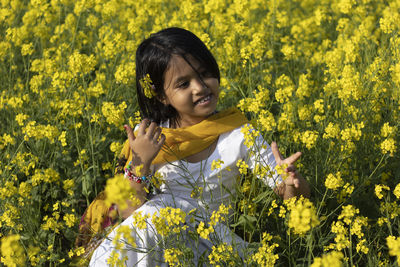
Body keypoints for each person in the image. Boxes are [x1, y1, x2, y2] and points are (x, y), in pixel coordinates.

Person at [87, 27, 310, 266]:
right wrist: (140, 161)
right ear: (162, 95)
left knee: (154, 216)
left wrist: (291, 184)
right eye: (183, 84)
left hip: (214, 247)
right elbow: (132, 213)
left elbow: (292, 197)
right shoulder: (153, 138)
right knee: (148, 222)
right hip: (161, 242)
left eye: (204, 74)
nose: (200, 87)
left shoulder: (238, 133)